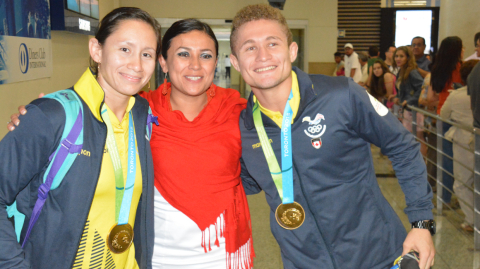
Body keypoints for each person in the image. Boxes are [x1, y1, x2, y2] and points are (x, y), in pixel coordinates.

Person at [9, 19, 255, 269]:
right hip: (156, 258)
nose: (195, 65)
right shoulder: (145, 112)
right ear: (164, 63)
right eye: (183, 54)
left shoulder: (236, 112)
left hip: (219, 254)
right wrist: (38, 119)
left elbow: (257, 169)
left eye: (205, 55)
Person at [229, 4, 435, 269]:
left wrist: (421, 223)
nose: (262, 56)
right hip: (304, 263)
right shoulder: (243, 127)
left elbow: (403, 146)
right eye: (249, 48)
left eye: (272, 44)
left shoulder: (341, 95)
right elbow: (244, 181)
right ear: (235, 61)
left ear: (292, 51)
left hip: (378, 256)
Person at [0, 7, 160, 268]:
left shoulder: (142, 116)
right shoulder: (53, 116)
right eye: (124, 49)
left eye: (147, 54)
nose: (137, 65)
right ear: (96, 50)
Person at [440, 60, 479, 232]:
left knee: (462, 183)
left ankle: (472, 220)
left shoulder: (456, 95)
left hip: (464, 141)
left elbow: (443, 115)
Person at [428, 36, 464, 208]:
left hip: (441, 114)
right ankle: (450, 197)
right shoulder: (459, 68)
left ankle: (444, 196)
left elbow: (434, 94)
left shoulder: (437, 69)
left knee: (445, 158)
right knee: (457, 159)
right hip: (456, 117)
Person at [392, 46, 426, 157]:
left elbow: (421, 87)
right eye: (396, 56)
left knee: (418, 138)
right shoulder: (401, 71)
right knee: (410, 138)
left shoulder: (412, 72)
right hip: (408, 110)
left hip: (414, 110)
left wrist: (409, 100)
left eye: (401, 56)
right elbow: (403, 89)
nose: (398, 59)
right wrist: (398, 97)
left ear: (408, 57)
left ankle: (421, 165)